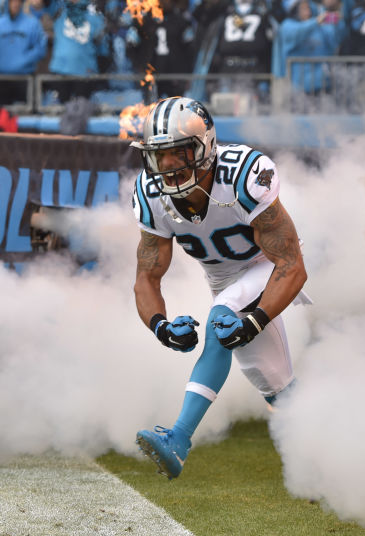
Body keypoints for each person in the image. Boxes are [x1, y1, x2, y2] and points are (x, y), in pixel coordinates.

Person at [130, 96, 308, 480]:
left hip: (268, 265)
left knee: (220, 320)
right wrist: (160, 326)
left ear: (205, 147)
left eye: (178, 152)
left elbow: (292, 264)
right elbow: (146, 276)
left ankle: (178, 438)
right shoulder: (150, 192)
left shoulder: (243, 174)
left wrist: (255, 320)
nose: (169, 166)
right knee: (277, 388)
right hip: (225, 280)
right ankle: (328, 453)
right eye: (159, 156)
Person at [0, 0, 48, 105]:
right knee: (0, 117)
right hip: (1, 78)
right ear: (7, 3)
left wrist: (23, 60)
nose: (15, 4)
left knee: (26, 117)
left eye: (18, 1)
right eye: (12, 2)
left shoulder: (33, 23)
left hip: (25, 78)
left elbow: (41, 49)